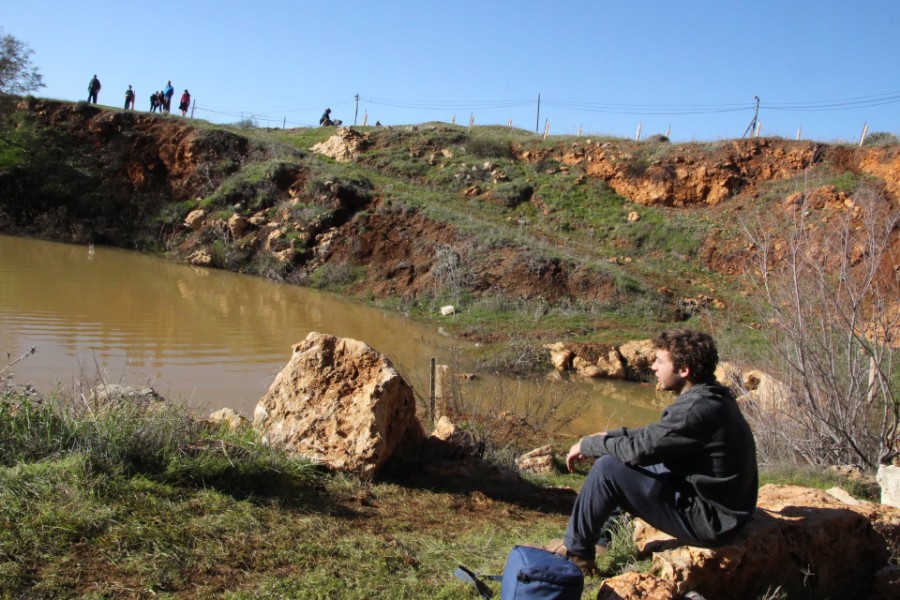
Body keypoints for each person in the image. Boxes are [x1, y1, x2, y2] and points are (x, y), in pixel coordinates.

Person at [544, 329, 758, 575]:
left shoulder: (695, 409)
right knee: (627, 459)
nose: (653, 367)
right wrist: (608, 436)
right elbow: (657, 436)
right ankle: (600, 539)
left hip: (713, 521)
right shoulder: (710, 397)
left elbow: (640, 450)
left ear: (684, 370)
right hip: (722, 508)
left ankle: (577, 555)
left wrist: (588, 446)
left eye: (659, 361)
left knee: (608, 468)